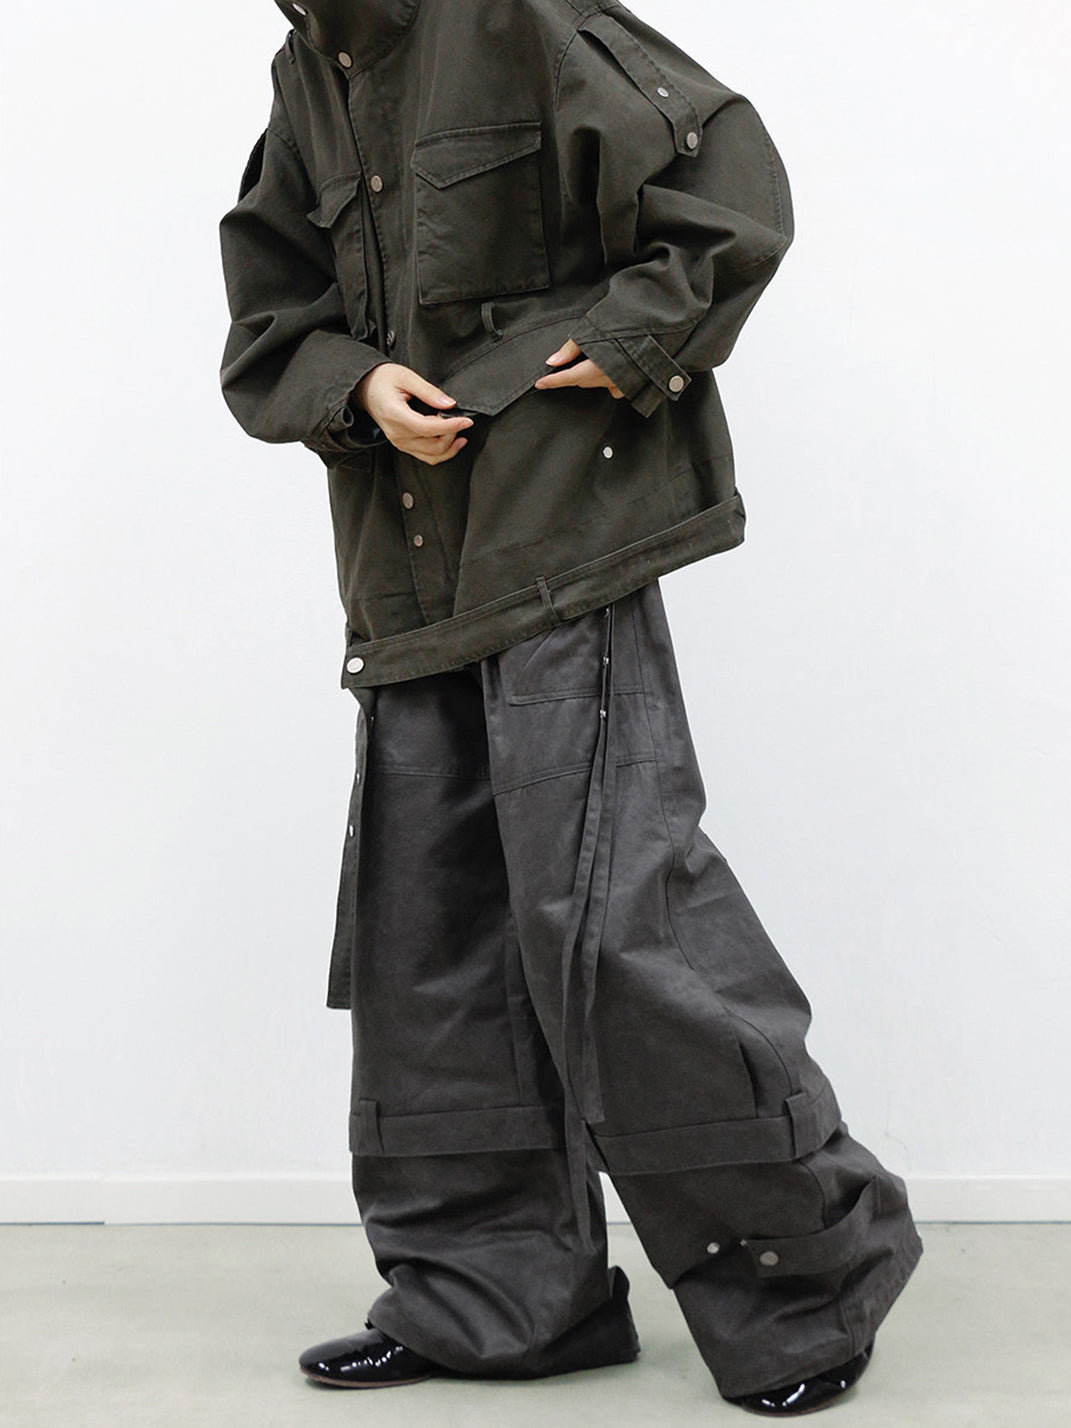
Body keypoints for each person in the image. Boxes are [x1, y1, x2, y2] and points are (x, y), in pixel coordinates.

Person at [219, 0, 923, 1415]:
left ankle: (808, 1283)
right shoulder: (311, 71)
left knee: (611, 922)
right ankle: (497, 1302)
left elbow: (726, 182)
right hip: (409, 576)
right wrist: (357, 385)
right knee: (434, 948)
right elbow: (269, 320)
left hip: (560, 539)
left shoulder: (517, 14)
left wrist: (633, 333)